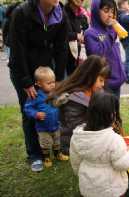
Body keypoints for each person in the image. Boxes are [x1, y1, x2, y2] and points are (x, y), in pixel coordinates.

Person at [9, 0, 68, 172]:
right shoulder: (22, 13)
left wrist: (57, 79)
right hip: (23, 70)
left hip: (46, 71)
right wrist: (27, 82)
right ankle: (34, 154)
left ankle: (53, 148)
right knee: (30, 112)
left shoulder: (60, 14)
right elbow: (17, 49)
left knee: (50, 108)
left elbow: (61, 48)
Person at [70, 91, 129, 197]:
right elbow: (122, 164)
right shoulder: (114, 140)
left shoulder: (77, 136)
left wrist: (81, 173)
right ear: (111, 115)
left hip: (88, 184)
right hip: (111, 188)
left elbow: (75, 160)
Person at [48, 55, 110, 155]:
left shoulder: (94, 91)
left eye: (104, 81)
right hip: (75, 143)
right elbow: (77, 127)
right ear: (90, 77)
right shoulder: (73, 99)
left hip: (89, 140)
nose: (103, 84)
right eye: (101, 80)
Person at [24, 67, 69, 169]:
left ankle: (58, 154)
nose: (53, 85)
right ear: (39, 84)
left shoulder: (54, 93)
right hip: (43, 127)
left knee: (57, 140)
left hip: (55, 124)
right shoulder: (35, 95)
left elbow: (59, 102)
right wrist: (36, 114)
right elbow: (27, 108)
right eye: (49, 83)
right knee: (45, 143)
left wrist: (63, 99)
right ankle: (47, 157)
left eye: (53, 82)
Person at [84, 0, 127, 99]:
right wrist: (111, 33)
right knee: (105, 112)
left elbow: (116, 55)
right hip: (104, 84)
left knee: (114, 112)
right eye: (106, 10)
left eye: (112, 11)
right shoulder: (91, 33)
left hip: (117, 81)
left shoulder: (112, 29)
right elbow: (97, 55)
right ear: (96, 11)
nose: (110, 15)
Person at [64, 0, 89, 75]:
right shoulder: (62, 13)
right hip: (64, 59)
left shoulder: (82, 16)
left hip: (78, 59)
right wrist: (76, 36)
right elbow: (61, 35)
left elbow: (86, 32)